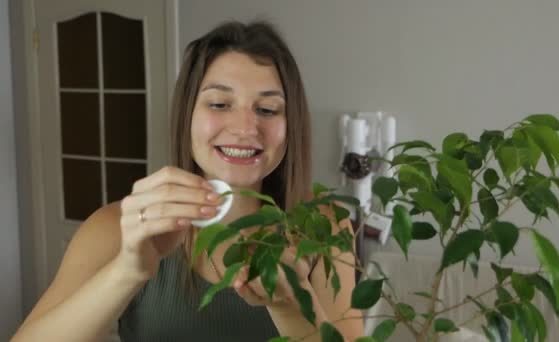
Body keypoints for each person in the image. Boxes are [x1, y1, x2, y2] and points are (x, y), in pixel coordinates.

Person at [12, 20, 364, 342]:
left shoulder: (325, 227)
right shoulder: (116, 228)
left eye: (267, 110)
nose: (244, 128)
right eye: (220, 104)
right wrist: (128, 271)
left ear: (291, 127)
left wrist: (290, 307)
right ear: (188, 116)